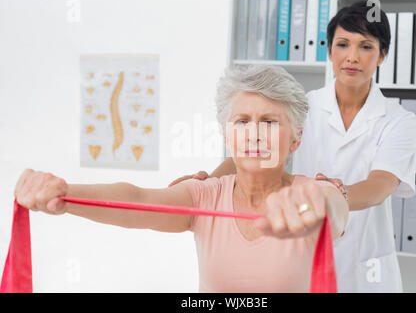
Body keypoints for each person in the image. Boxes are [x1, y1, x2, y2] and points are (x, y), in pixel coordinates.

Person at [13, 65, 349, 293]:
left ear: (296, 139)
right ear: (227, 136)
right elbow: (137, 199)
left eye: (270, 122)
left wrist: (313, 205)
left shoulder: (312, 191)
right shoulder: (204, 196)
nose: (254, 135)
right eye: (242, 121)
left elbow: (332, 205)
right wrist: (66, 195)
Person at [169, 1, 416, 292]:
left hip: (364, 263)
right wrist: (207, 186)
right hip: (297, 247)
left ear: (382, 55)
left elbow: (382, 184)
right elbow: (249, 151)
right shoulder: (302, 106)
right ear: (329, 51)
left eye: (365, 46)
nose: (352, 57)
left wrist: (334, 197)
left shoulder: (398, 120)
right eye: (343, 44)